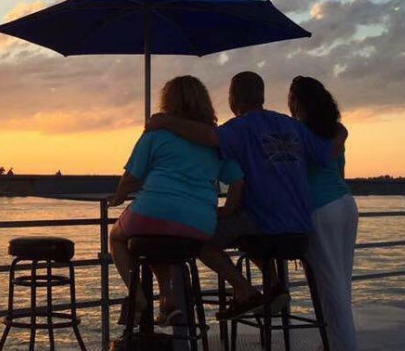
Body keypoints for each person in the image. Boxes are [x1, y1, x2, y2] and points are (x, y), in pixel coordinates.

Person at [147, 71, 346, 319]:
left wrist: (166, 122)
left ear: (232, 99)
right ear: (262, 96)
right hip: (300, 229)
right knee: (242, 227)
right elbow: (326, 153)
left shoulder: (239, 129)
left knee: (199, 237)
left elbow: (209, 137)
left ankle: (244, 291)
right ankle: (274, 287)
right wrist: (342, 131)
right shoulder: (290, 125)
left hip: (265, 225)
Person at [108, 75, 244, 325]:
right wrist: (228, 209)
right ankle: (167, 299)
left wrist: (117, 197)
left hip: (151, 213)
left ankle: (138, 295)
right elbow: (236, 180)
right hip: (198, 223)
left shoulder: (155, 135)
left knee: (116, 238)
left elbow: (131, 179)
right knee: (165, 241)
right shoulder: (215, 141)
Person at [289, 76, 359, 351]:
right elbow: (340, 172)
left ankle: (344, 347)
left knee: (329, 287)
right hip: (345, 203)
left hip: (320, 208)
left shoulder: (297, 133)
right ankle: (333, 341)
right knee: (341, 283)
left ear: (297, 102)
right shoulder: (335, 132)